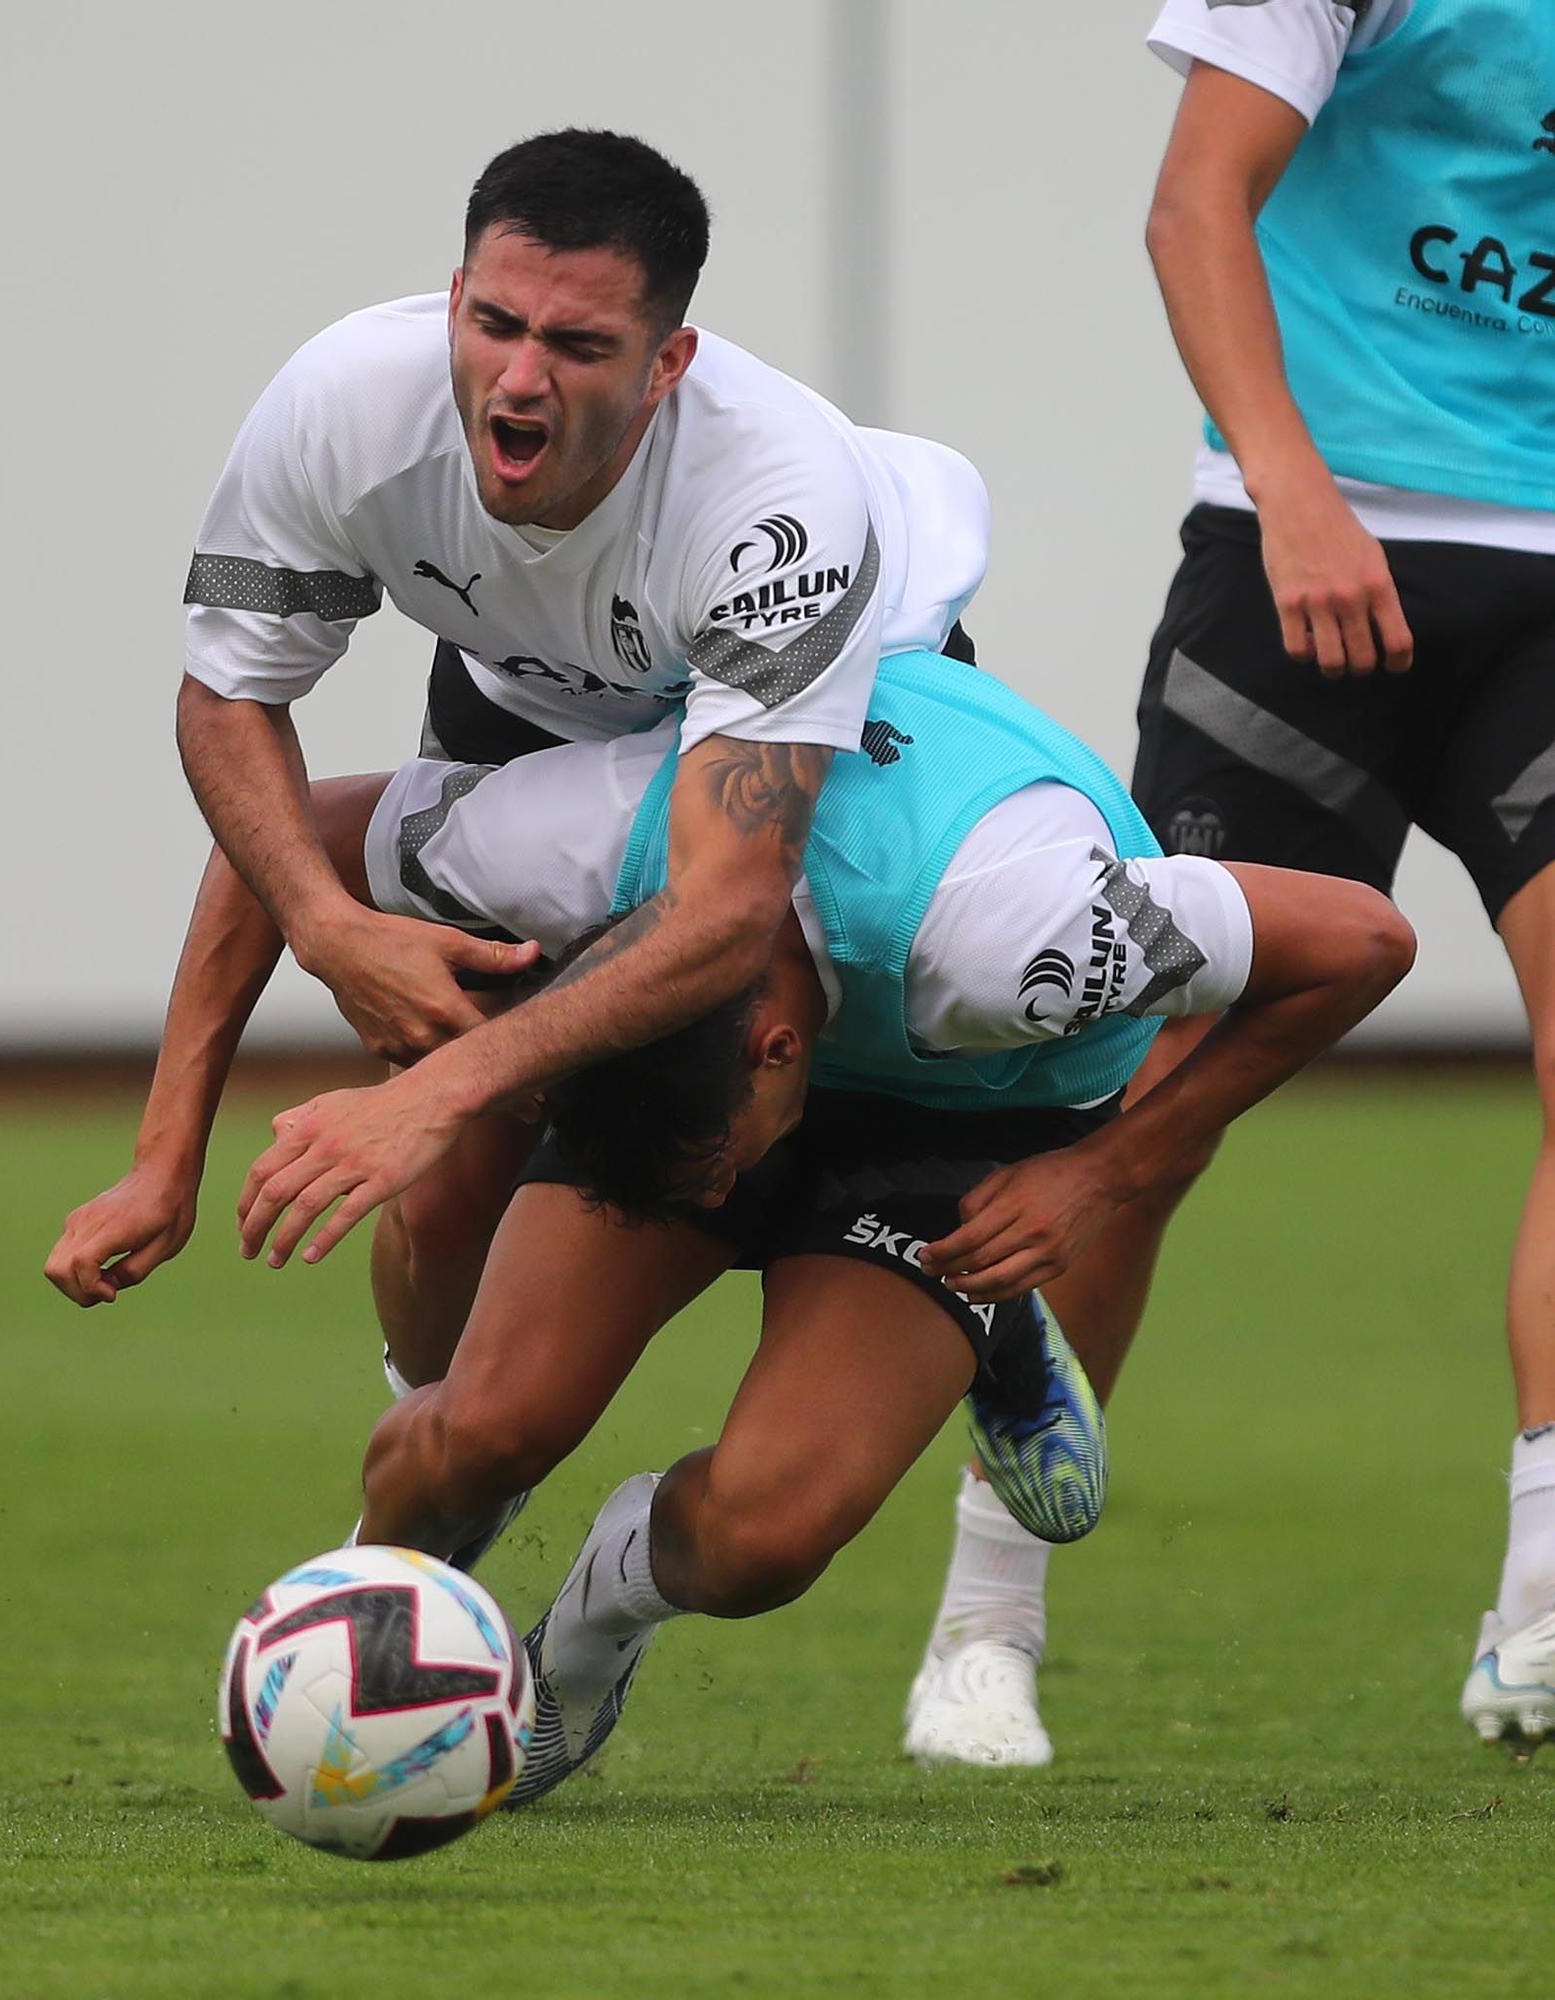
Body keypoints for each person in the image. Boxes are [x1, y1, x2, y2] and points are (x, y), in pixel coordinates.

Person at [235, 645, 1407, 1806]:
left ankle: (589, 1627)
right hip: (710, 1061)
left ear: (780, 1056)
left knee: (764, 1539)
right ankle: (352, 1613)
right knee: (476, 1430)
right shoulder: (597, 831)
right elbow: (305, 826)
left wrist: (1107, 1173)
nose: (693, 1207)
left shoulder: (1023, 934)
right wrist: (256, 1058)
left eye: (702, 1176)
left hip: (961, 1106)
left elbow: (1360, 939)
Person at [908, 0, 1555, 1770]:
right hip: (1303, 558)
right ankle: (983, 1624)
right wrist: (1291, 485)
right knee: (1156, 1107)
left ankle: (1538, 1607)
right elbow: (1194, 206)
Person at [168, 125, 988, 1396]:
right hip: (526, 692)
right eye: (494, 323)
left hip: (850, 693)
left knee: (762, 1108)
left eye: (578, 345)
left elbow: (722, 909)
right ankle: (428, 1516)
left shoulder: (775, 504)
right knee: (442, 1205)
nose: (518, 378)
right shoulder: (344, 403)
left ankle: (987, 1318)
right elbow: (230, 701)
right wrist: (314, 958)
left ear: (666, 364)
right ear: (450, 297)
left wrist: (444, 1085)